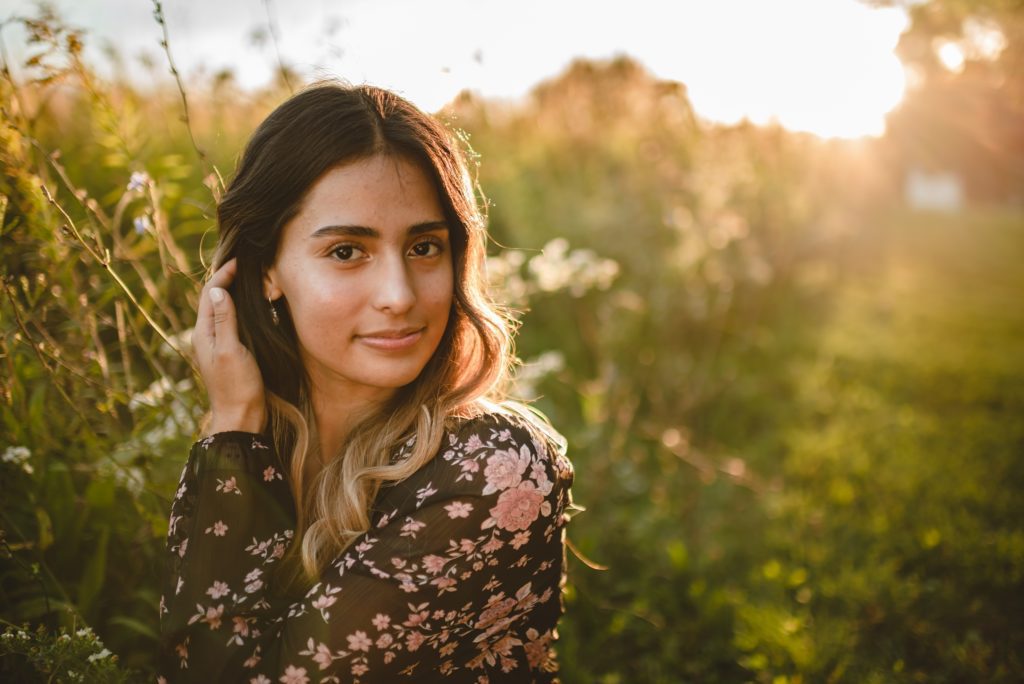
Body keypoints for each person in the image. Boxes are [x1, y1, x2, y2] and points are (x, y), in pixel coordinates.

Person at [157, 83, 574, 683]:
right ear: (266, 269)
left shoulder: (493, 467)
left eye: (424, 246)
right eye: (348, 251)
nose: (399, 296)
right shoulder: (260, 439)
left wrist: (231, 445)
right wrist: (235, 430)